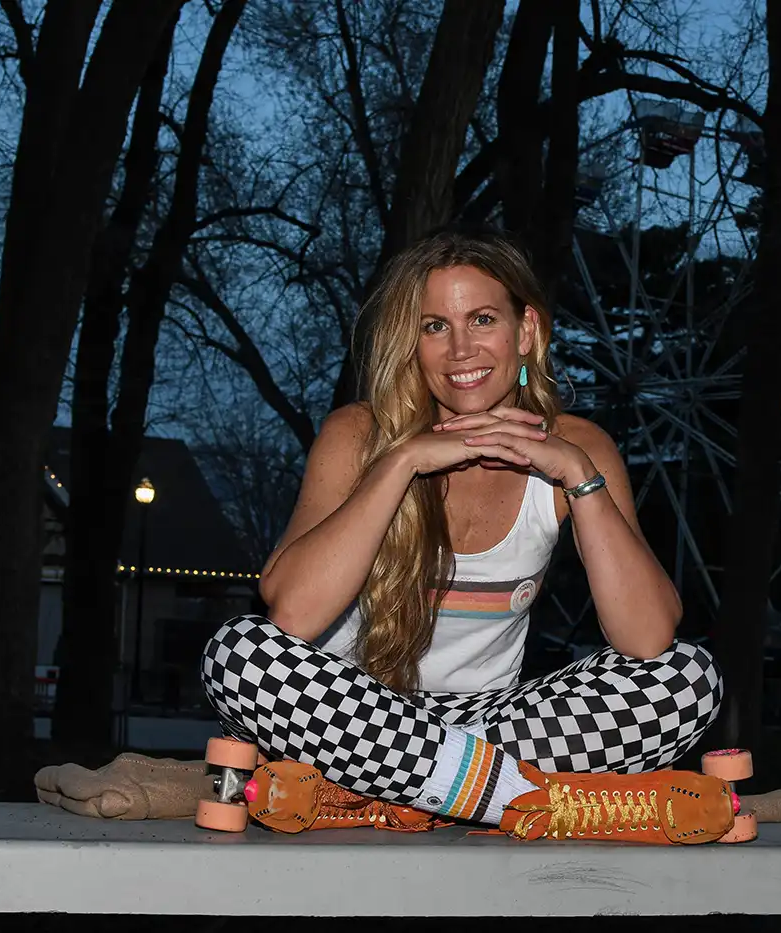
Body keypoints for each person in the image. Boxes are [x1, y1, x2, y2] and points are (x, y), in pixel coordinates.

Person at [200, 226, 738, 843]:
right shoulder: (358, 435)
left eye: (482, 319)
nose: (460, 349)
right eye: (434, 327)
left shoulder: (579, 446)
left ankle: (392, 797)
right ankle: (521, 801)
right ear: (412, 343)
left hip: (488, 726)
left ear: (526, 331)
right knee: (239, 652)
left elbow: (647, 637)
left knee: (688, 676)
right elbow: (292, 612)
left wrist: (580, 478)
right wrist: (402, 463)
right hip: (347, 717)